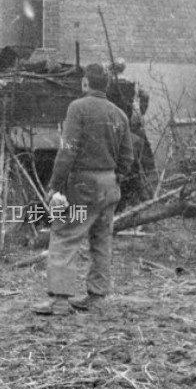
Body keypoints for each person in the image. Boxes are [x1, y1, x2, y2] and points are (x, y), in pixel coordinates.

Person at [33, 63, 134, 316]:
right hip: (110, 186)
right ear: (107, 86)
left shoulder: (77, 108)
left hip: (83, 185)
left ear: (85, 83)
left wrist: (55, 185)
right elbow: (128, 156)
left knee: (65, 235)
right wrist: (116, 177)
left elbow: (67, 151)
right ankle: (97, 298)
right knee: (101, 241)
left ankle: (59, 302)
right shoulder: (119, 114)